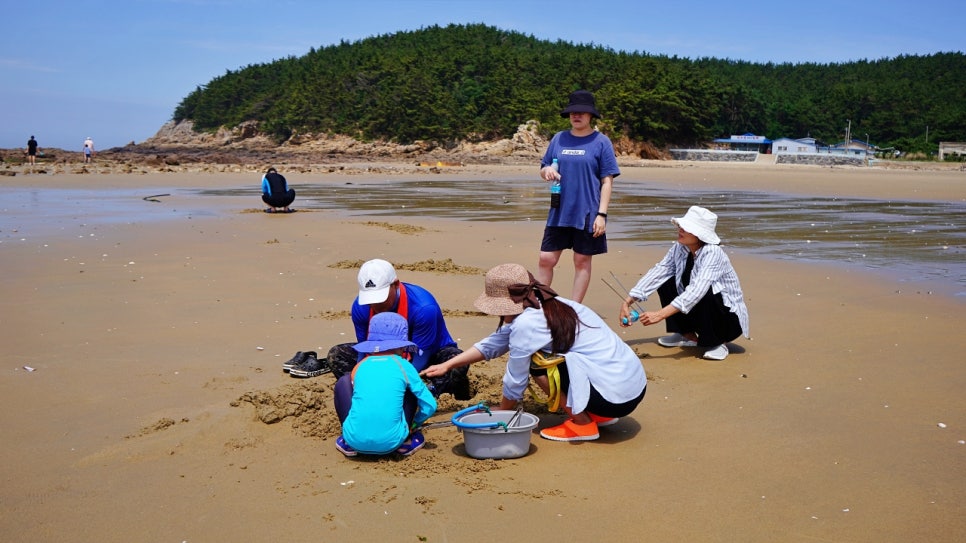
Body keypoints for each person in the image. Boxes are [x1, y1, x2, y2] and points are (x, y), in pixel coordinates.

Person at [422, 263, 647, 443]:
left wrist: (504, 409)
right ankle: (598, 416)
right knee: (550, 357)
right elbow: (494, 343)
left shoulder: (526, 324)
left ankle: (583, 424)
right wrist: (447, 365)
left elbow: (516, 376)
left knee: (538, 363)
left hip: (612, 398)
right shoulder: (549, 303)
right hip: (630, 388)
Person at [325, 259, 471, 400]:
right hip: (383, 355)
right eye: (370, 299)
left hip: (427, 357)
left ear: (395, 284)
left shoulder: (424, 308)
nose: (375, 305)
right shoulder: (360, 307)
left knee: (457, 361)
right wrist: (361, 378)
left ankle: (440, 392)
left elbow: (421, 356)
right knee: (336, 355)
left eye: (380, 298)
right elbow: (365, 351)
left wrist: (396, 383)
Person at [620, 206, 750, 361]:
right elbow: (660, 271)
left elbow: (696, 291)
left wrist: (659, 315)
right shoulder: (680, 247)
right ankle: (686, 333)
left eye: (687, 228)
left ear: (700, 235)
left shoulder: (713, 253)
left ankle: (717, 342)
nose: (680, 229)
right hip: (698, 308)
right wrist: (628, 301)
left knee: (706, 291)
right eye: (681, 226)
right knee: (666, 280)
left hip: (728, 319)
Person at [536, 90, 619, 303]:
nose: (576, 115)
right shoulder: (559, 138)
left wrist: (602, 215)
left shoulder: (601, 142)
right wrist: (547, 171)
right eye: (573, 112)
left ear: (591, 115)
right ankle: (542, 305)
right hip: (559, 211)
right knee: (546, 259)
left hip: (588, 213)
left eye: (582, 112)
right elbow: (544, 167)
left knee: (581, 261)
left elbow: (607, 181)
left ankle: (574, 308)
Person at [333, 312, 437, 457]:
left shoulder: (360, 366)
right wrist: (415, 423)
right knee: (409, 389)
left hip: (354, 440)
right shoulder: (403, 366)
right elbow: (430, 406)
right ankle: (407, 440)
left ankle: (347, 440)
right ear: (401, 346)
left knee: (343, 382)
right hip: (393, 442)